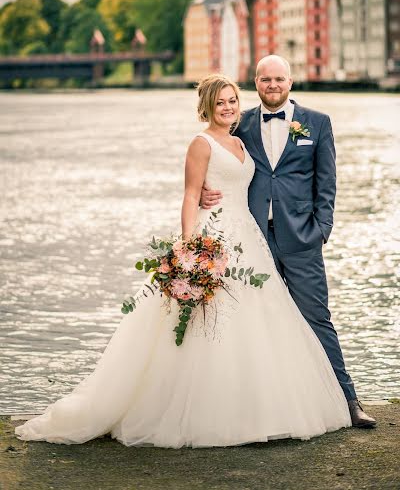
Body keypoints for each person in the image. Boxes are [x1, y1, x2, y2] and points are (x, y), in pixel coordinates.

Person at [15, 73, 352, 448]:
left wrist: (320, 227)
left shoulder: (242, 139)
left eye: (231, 101)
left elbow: (269, 181)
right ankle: (202, 413)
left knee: (265, 319)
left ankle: (264, 406)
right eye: (220, 102)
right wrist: (191, 249)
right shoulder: (201, 143)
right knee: (205, 326)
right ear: (206, 106)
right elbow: (191, 196)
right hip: (215, 235)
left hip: (251, 240)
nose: (227, 107)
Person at [201, 55, 376, 428]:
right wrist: (204, 192)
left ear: (290, 82)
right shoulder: (240, 123)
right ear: (256, 82)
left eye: (279, 79)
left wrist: (321, 229)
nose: (272, 86)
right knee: (252, 321)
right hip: (252, 240)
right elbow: (214, 158)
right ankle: (251, 406)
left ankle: (348, 401)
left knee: (317, 318)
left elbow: (326, 182)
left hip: (301, 240)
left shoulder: (317, 123)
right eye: (265, 80)